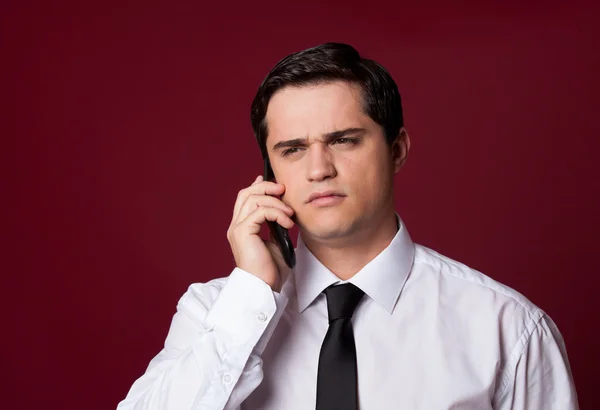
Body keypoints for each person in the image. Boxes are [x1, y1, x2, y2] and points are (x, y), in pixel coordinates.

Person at [117, 42, 579, 410]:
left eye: (343, 141)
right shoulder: (213, 313)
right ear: (269, 172)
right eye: (292, 149)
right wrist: (252, 295)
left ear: (396, 150)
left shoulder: (507, 329)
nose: (318, 169)